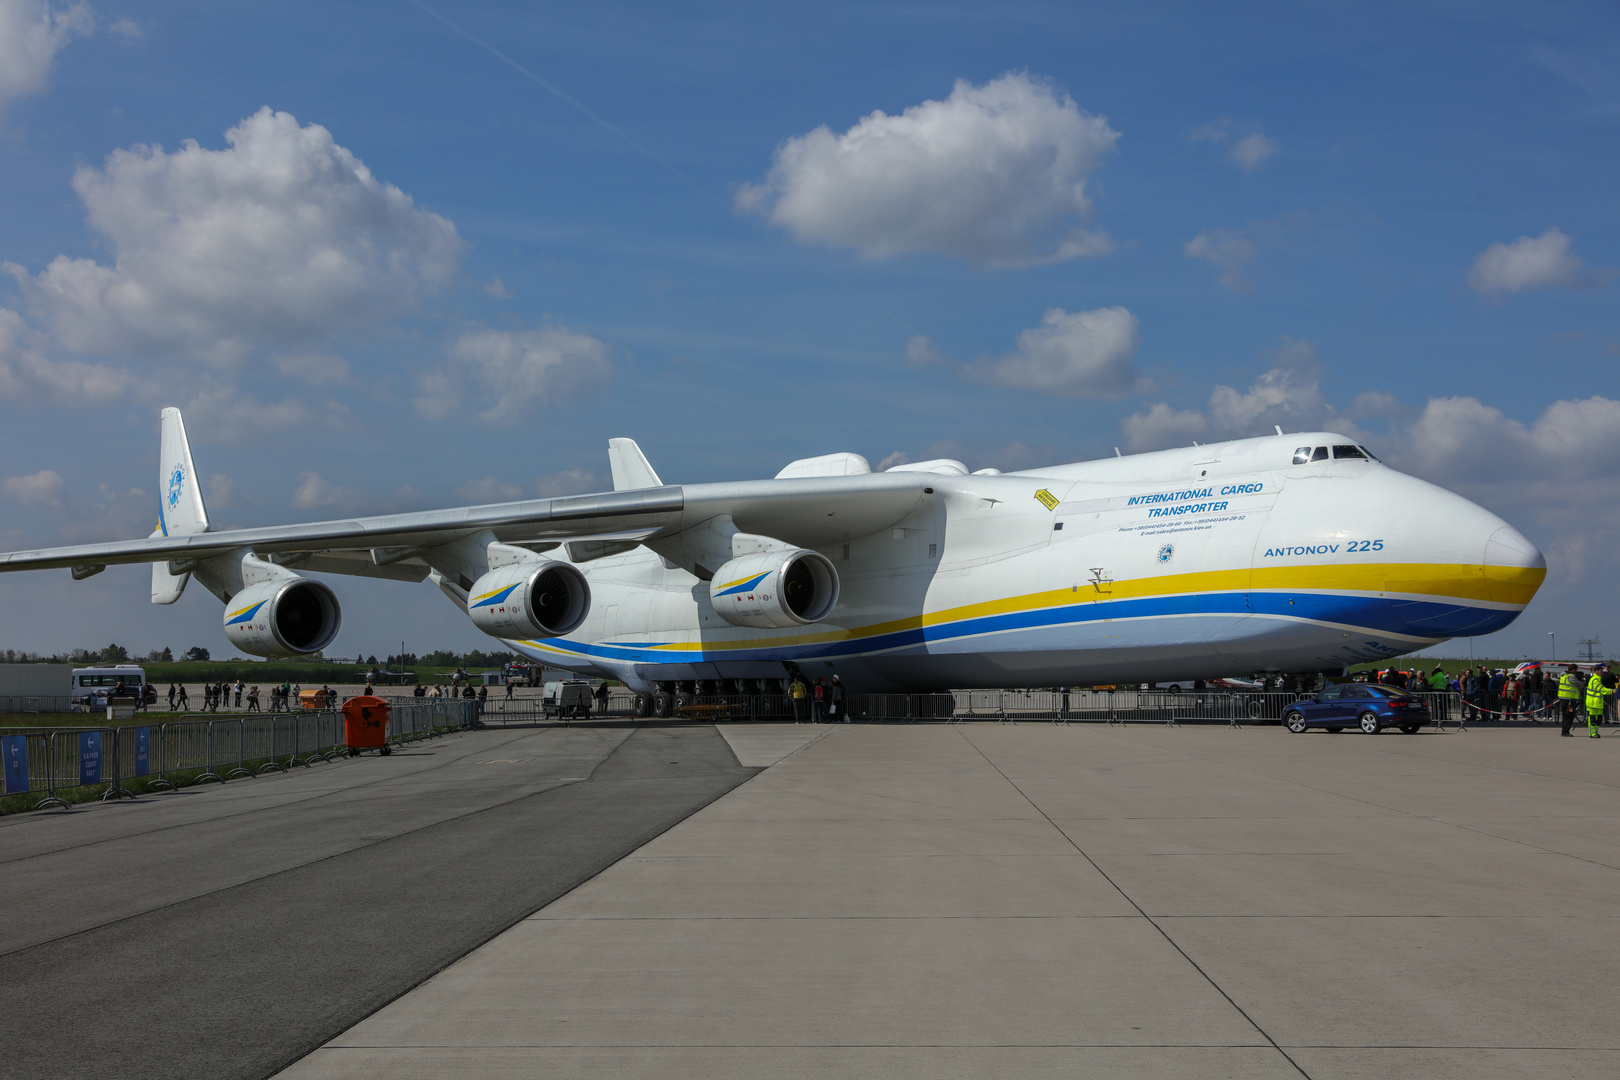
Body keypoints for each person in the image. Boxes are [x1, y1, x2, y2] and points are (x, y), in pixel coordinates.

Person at [1584, 665, 1613, 738]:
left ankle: (1595, 732)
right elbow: (1602, 689)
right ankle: (1592, 733)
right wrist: (1612, 691)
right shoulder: (1595, 680)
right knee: (1592, 719)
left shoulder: (1598, 679)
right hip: (1592, 703)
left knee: (1599, 719)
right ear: (1597, 672)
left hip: (1598, 703)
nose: (1602, 672)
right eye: (1601, 671)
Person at [1557, 665, 1582, 736]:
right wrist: (1582, 683)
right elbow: (1579, 685)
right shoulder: (1571, 676)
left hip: (1563, 698)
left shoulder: (1563, 675)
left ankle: (1564, 730)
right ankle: (1565, 731)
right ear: (1573, 670)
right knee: (1569, 715)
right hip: (1569, 699)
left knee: (1565, 715)